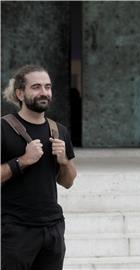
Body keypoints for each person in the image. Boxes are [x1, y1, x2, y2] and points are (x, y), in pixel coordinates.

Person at [1, 64, 77, 270]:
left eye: (48, 87)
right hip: (14, 230)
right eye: (36, 87)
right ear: (20, 93)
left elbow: (68, 182)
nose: (44, 92)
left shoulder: (58, 130)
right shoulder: (3, 128)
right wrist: (23, 160)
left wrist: (64, 162)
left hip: (52, 228)